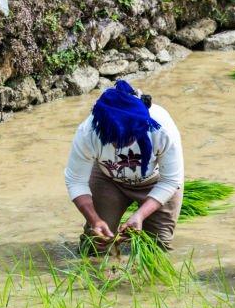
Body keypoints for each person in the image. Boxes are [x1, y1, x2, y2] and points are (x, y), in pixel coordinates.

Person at [64, 80, 183, 251]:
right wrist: (95, 220)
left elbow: (171, 181)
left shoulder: (161, 129)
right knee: (95, 245)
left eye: (128, 139)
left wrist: (139, 216)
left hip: (156, 183)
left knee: (157, 247)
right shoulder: (88, 133)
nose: (121, 146)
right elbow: (76, 181)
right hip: (108, 179)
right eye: (114, 140)